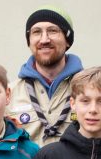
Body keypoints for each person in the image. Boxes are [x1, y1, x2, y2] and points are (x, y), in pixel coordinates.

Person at [12, 8, 83, 145]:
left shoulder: (89, 90)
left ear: (67, 40)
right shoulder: (9, 95)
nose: (44, 39)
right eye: (36, 32)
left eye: (52, 31)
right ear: (29, 41)